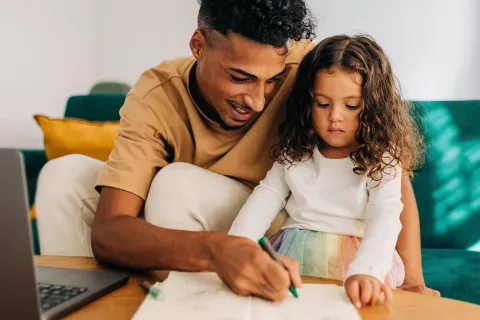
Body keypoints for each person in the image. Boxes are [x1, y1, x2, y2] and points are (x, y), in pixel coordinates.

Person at [35, 0, 439, 302]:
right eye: (240, 78)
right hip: (205, 227)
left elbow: (387, 169)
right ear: (198, 45)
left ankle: (187, 301)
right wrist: (217, 249)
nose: (259, 101)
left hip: (278, 218)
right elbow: (110, 228)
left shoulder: (309, 68)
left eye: (272, 81)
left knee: (173, 183)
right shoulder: (157, 94)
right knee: (62, 177)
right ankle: (92, 306)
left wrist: (413, 280)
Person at [229, 34, 427, 307]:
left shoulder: (381, 159)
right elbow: (265, 197)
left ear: (373, 106)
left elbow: (386, 213)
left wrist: (367, 270)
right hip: (294, 252)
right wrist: (236, 246)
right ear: (308, 102)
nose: (335, 116)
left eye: (351, 106)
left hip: (358, 260)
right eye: (323, 104)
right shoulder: (295, 151)